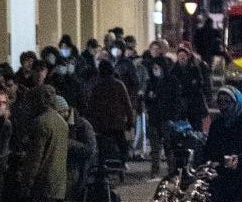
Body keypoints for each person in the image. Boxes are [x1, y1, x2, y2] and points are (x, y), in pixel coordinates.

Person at [16, 85, 69, 202]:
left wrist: (27, 181)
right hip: (57, 179)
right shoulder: (60, 122)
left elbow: (35, 158)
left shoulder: (40, 123)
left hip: (43, 180)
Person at [204, 86, 242, 202]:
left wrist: (239, 158)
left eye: (227, 102)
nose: (223, 106)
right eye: (220, 102)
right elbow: (209, 151)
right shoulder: (217, 125)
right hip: (222, 179)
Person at [60, 96, 99, 202]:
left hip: (80, 176)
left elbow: (90, 150)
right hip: (67, 175)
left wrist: (69, 144)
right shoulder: (67, 124)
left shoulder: (82, 125)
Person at [86, 60, 136, 164]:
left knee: (101, 148)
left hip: (100, 124)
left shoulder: (96, 85)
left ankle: (102, 166)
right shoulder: (119, 84)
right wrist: (130, 121)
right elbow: (127, 105)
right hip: (117, 123)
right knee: (122, 145)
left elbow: (91, 105)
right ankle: (122, 163)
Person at [142, 47, 180, 178]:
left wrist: (173, 117)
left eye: (157, 68)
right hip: (154, 118)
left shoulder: (172, 81)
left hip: (167, 119)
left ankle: (172, 171)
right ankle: (155, 171)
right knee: (155, 148)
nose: (155, 71)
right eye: (154, 68)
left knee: (169, 146)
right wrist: (149, 97)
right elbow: (147, 98)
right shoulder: (151, 82)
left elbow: (176, 100)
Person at [173, 44, 210, 133]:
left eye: (184, 56)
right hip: (181, 103)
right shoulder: (174, 70)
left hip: (194, 103)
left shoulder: (195, 68)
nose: (182, 58)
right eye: (180, 56)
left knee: (196, 127)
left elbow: (200, 84)